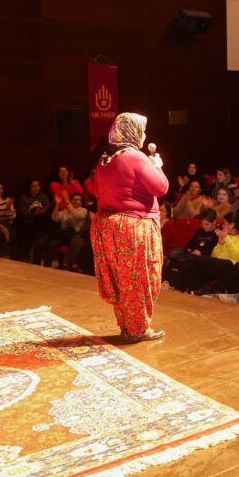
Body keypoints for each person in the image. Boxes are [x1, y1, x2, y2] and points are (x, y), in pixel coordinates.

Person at [91, 113, 169, 342]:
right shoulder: (135, 157)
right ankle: (137, 329)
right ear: (133, 131)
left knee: (121, 280)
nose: (144, 135)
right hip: (133, 227)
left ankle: (127, 327)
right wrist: (158, 166)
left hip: (108, 226)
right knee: (139, 279)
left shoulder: (105, 158)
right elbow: (161, 187)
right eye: (142, 130)